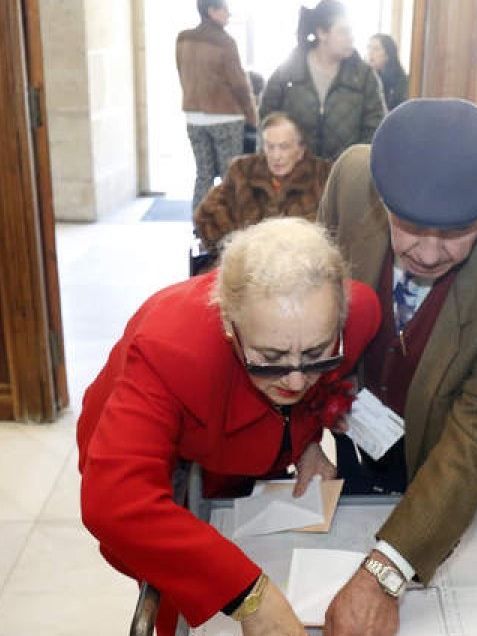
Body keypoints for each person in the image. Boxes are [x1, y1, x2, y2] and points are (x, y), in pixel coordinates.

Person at [319, 98, 477, 634]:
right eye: (408, 225)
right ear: (381, 197)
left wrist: (386, 572)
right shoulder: (351, 177)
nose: (428, 254)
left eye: (456, 232)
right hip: (357, 433)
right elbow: (317, 308)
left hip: (452, 474)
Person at [77, 218, 381, 636]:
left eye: (316, 352)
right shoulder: (168, 350)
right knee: (192, 592)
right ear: (229, 327)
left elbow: (317, 382)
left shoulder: (359, 312)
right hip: (155, 460)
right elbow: (114, 503)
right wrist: (250, 596)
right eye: (269, 357)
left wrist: (308, 440)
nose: (295, 381)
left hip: (250, 444)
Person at [261, 0, 385, 160]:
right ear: (322, 33)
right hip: (295, 175)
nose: (350, 38)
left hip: (343, 175)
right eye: (343, 32)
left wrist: (356, 166)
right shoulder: (288, 73)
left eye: (351, 32)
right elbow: (266, 121)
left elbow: (375, 127)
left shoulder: (363, 76)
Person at [193, 113, 330, 257]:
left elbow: (335, 231)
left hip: (302, 268)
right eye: (270, 147)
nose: (276, 156)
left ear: (301, 149)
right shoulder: (242, 171)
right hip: (244, 267)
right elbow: (206, 216)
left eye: (284, 147)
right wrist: (240, 245)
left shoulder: (322, 176)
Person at [176, 0, 257, 212]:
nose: (229, 14)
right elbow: (239, 84)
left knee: (203, 173)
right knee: (229, 175)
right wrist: (252, 116)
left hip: (193, 118)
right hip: (225, 118)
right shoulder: (225, 42)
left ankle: (199, 226)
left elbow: (182, 73)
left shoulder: (183, 39)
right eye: (225, 8)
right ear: (212, 11)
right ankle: (227, 228)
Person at [366, 33, 409, 111]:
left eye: (376, 49)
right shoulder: (367, 77)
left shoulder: (401, 81)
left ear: (387, 55)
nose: (370, 53)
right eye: (368, 48)